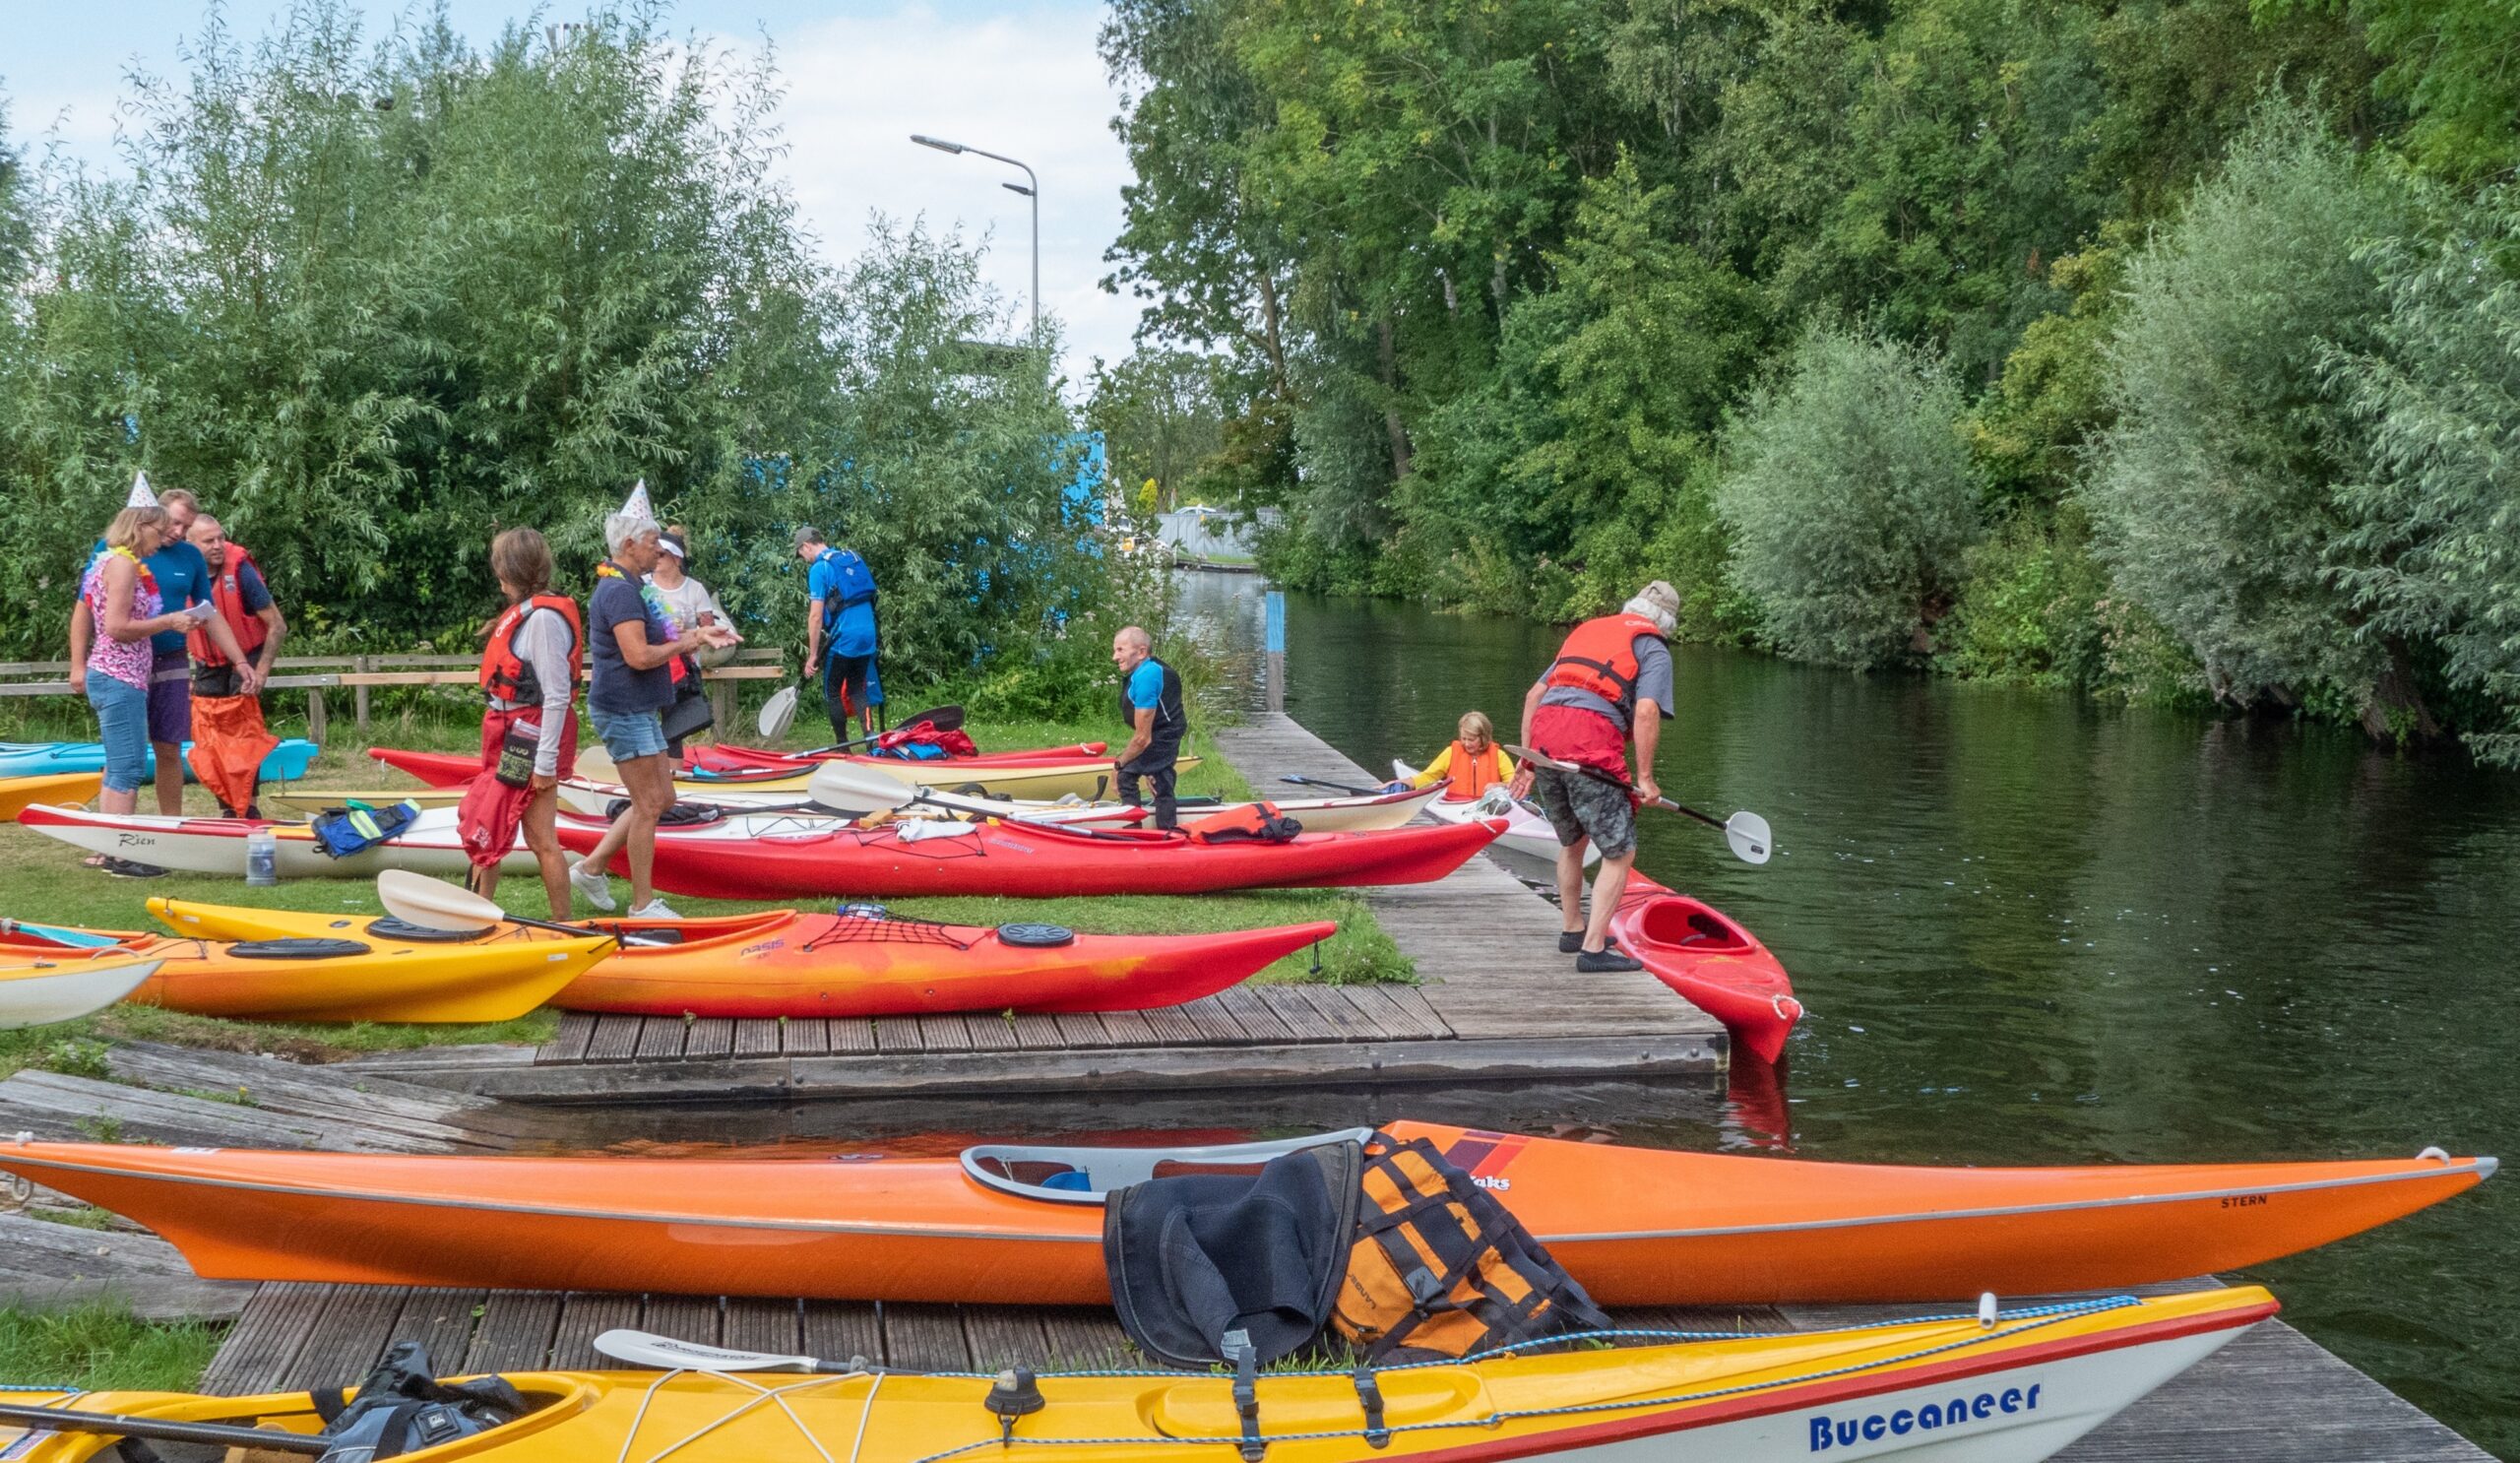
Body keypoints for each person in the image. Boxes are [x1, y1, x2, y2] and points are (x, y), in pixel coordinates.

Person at [569, 505, 735, 918]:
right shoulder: (619, 590)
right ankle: (643, 905)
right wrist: (688, 643)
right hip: (623, 708)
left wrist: (698, 632)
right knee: (647, 804)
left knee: (662, 798)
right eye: (650, 542)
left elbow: (657, 639)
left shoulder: (632, 584)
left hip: (640, 707)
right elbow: (640, 656)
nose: (657, 549)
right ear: (629, 545)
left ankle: (590, 868)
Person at [1508, 581, 1681, 973]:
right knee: (1620, 853)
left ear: (1630, 605)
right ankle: (1593, 949)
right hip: (1589, 744)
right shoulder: (1652, 646)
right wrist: (1647, 778)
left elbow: (1534, 697)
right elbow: (1647, 710)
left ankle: (1572, 929)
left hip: (1545, 742)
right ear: (1667, 622)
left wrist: (1529, 759)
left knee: (1572, 842)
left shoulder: (1587, 631)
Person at [68, 483, 256, 816]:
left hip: (166, 660)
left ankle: (169, 824)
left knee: (165, 747)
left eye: (187, 526)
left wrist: (239, 660)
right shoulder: (116, 555)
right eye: (173, 523)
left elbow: (207, 612)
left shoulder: (187, 556)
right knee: (125, 757)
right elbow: (89, 609)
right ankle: (115, 838)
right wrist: (77, 663)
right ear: (152, 518)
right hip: (122, 665)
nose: (178, 532)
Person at [69, 506, 206, 875]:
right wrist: (168, 621)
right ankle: (121, 855)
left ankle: (112, 849)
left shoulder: (111, 560)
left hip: (117, 675)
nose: (162, 540)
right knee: (128, 768)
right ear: (140, 527)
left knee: (119, 766)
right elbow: (115, 627)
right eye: (159, 531)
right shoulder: (123, 565)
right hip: (119, 677)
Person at [466, 528, 581, 916]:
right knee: (489, 820)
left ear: (507, 573)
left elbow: (557, 695)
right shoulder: (528, 614)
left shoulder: (544, 621)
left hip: (526, 741)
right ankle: (478, 912)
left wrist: (545, 765)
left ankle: (564, 924)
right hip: (510, 734)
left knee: (539, 837)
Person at [183, 515, 285, 818]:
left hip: (247, 656)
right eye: (208, 541)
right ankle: (228, 809)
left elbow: (278, 626)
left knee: (242, 738)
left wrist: (262, 671)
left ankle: (249, 807)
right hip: (207, 663)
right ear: (190, 545)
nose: (218, 546)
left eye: (220, 538)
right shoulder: (180, 570)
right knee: (210, 741)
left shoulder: (240, 570)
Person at [645, 529, 729, 758]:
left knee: (674, 728)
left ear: (676, 558)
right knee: (646, 724)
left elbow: (708, 632)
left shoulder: (695, 589)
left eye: (661, 554)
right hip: (651, 662)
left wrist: (685, 631)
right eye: (655, 553)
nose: (656, 558)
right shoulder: (643, 585)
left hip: (683, 667)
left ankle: (674, 779)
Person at [794, 525, 880, 742]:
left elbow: (815, 617)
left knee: (832, 691)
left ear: (806, 546)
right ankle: (872, 741)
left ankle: (843, 747)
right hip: (868, 634)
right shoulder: (850, 557)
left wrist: (812, 655)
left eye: (801, 554)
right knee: (857, 689)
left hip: (844, 637)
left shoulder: (819, 569)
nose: (803, 559)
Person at [1111, 624, 1187, 830]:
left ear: (1142, 651)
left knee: (1126, 774)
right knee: (1159, 777)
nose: (1114, 657)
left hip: (1164, 734)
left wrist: (1118, 765)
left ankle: (1133, 831)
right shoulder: (1145, 670)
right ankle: (1167, 830)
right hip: (1162, 731)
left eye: (1121, 650)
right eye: (1115, 650)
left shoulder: (1147, 676)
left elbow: (1142, 739)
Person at [1394, 711, 1516, 800]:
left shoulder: (1500, 756)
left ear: (1483, 737)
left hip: (1486, 807)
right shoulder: (1451, 752)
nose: (1466, 744)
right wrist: (1401, 784)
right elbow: (1428, 777)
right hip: (1454, 805)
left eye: (1471, 739)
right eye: (1463, 738)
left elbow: (1513, 784)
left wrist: (1497, 785)